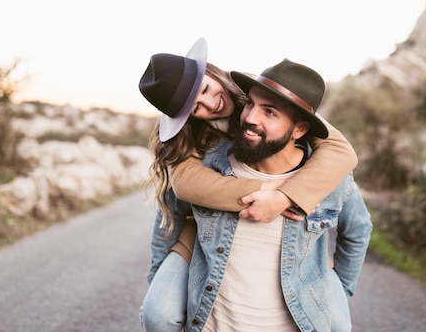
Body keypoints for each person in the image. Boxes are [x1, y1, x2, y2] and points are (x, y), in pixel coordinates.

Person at [138, 38, 359, 332]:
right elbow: (183, 188)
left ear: (214, 72)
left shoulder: (264, 92)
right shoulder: (188, 137)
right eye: (195, 108)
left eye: (205, 89)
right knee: (159, 312)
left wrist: (285, 196)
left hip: (294, 241)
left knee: (337, 324)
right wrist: (268, 193)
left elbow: (340, 151)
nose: (209, 104)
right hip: (202, 235)